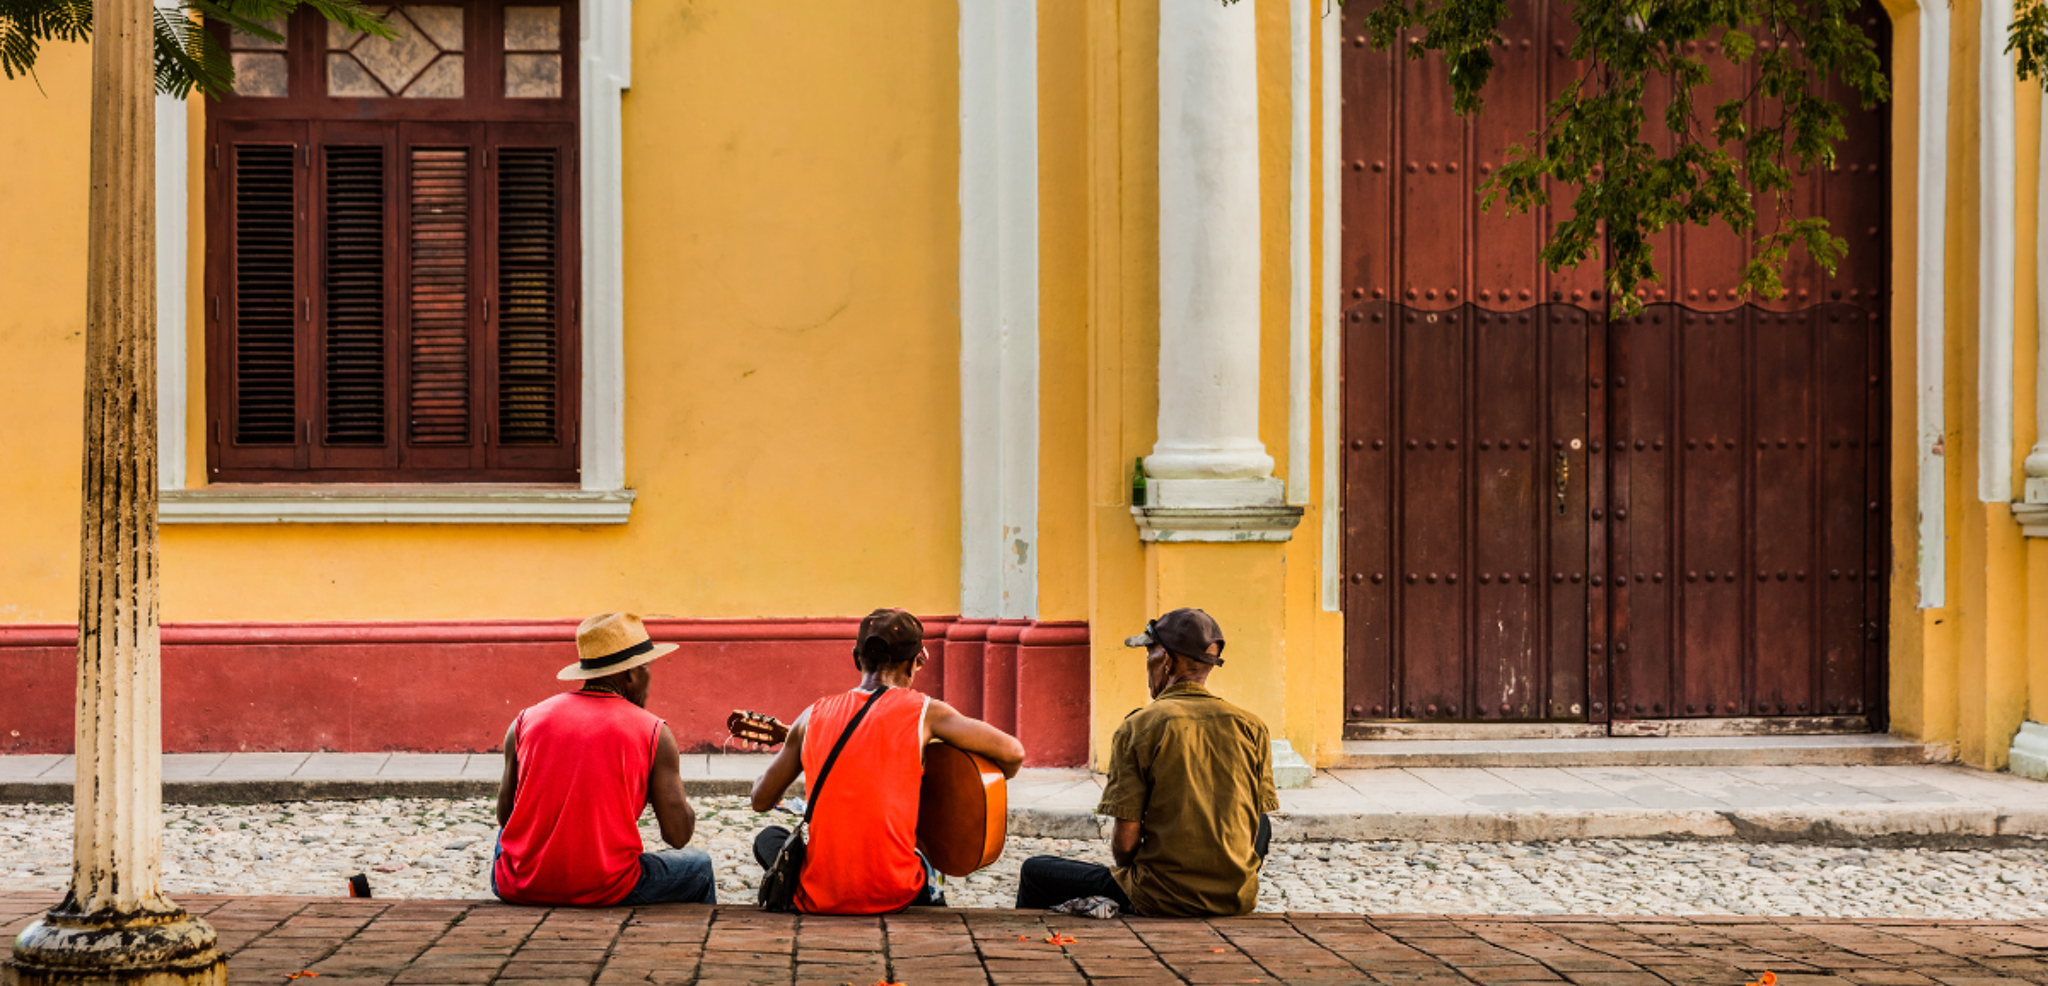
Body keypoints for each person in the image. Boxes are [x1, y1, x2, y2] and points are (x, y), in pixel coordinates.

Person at [749, 608, 1025, 914]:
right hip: (896, 893)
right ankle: (933, 900)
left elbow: (760, 800)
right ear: (918, 661)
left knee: (770, 838)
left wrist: (796, 745)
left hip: (819, 898)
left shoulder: (811, 716)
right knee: (925, 849)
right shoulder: (926, 712)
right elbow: (1013, 753)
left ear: (856, 658)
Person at [1015, 607, 1278, 917]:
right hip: (1235, 898)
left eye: (1149, 654)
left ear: (1166, 661)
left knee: (1036, 871)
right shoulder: (1251, 725)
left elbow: (1124, 847)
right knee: (1261, 821)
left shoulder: (1140, 727)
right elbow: (1259, 824)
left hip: (1159, 896)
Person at [491, 612, 715, 906]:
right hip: (605, 886)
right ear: (632, 673)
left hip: (518, 883)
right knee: (698, 865)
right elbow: (677, 835)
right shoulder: (654, 732)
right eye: (646, 669)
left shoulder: (524, 721)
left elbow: (506, 818)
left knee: (503, 842)